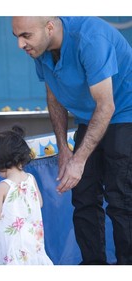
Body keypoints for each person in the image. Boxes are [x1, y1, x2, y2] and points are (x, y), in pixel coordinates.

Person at [12, 16, 132, 265]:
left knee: (121, 197)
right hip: (92, 115)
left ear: (49, 27)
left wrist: (79, 160)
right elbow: (54, 96)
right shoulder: (41, 50)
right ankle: (93, 265)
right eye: (17, 37)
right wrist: (64, 149)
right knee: (83, 194)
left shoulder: (90, 39)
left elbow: (106, 105)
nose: (20, 45)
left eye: (26, 35)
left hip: (124, 112)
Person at [0, 125, 53, 265]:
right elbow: (39, 203)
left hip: (11, 248)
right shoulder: (30, 178)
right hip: (33, 245)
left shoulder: (2, 187)